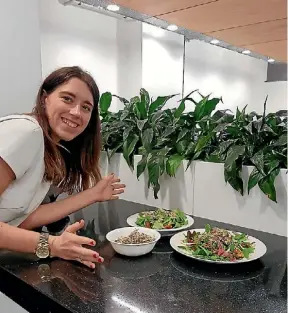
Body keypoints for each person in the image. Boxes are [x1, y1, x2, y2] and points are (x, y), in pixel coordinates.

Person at [0, 66, 125, 269]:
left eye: (86, 107)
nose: (76, 112)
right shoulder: (26, 131)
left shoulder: (48, 149)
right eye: (67, 99)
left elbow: (18, 220)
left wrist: (93, 194)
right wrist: (52, 245)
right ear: (44, 98)